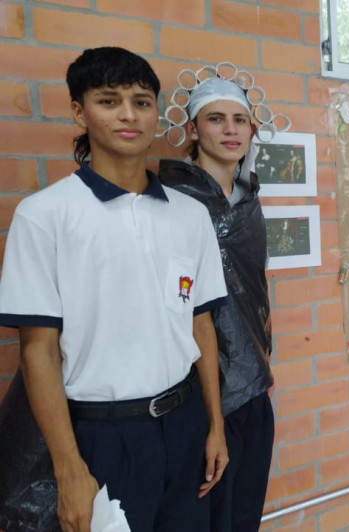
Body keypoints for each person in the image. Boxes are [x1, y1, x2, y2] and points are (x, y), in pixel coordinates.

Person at [0, 47, 229, 531]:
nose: (129, 114)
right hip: (102, 436)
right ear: (80, 112)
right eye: (109, 101)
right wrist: (69, 470)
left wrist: (215, 425)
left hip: (185, 421)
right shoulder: (45, 217)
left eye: (142, 102)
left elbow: (201, 324)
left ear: (156, 114)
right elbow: (38, 352)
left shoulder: (190, 215)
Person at [158, 69, 275, 532]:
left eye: (239, 120)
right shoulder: (168, 201)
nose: (230, 130)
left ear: (252, 130)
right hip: (196, 394)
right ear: (192, 129)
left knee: (244, 513)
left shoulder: (249, 199)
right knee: (204, 517)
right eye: (215, 119)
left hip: (252, 386)